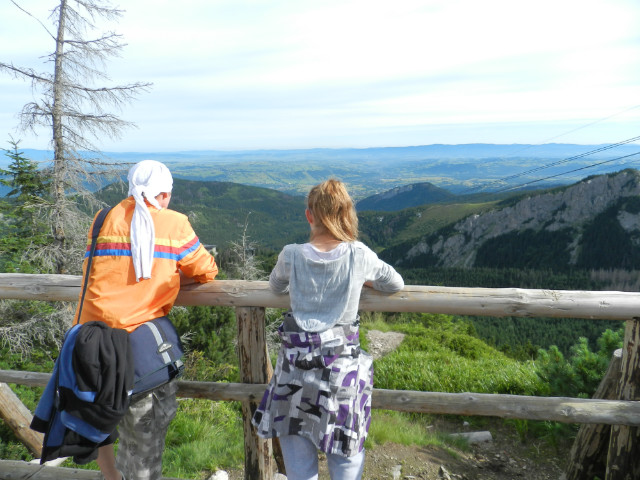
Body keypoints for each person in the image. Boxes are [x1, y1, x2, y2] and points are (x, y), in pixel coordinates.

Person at [75, 160, 219, 480]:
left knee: (105, 425)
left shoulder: (101, 219)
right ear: (164, 194)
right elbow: (207, 270)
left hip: (92, 343)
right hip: (137, 351)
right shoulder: (174, 223)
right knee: (144, 441)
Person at [252, 178, 404, 480]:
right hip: (341, 375)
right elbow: (395, 283)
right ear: (346, 214)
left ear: (310, 215)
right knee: (346, 462)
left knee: (299, 469)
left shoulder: (291, 254)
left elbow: (274, 285)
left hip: (294, 374)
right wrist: (364, 280)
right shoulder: (358, 255)